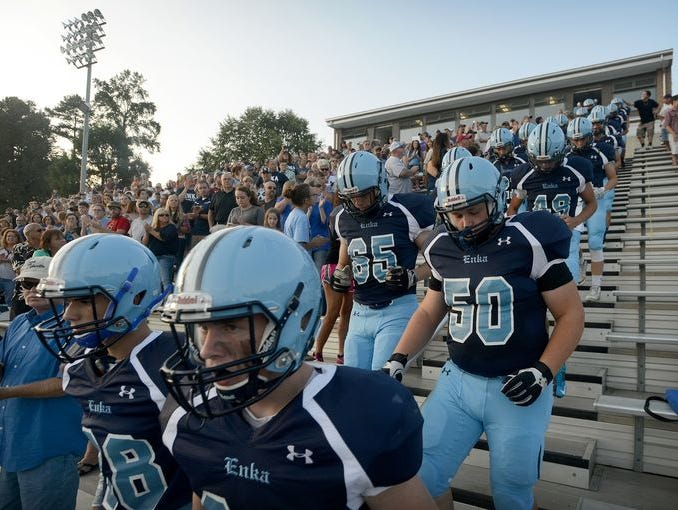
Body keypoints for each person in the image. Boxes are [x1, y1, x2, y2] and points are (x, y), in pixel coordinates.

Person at [158, 226, 436, 510]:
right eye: (202, 327)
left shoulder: (357, 419)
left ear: (298, 322)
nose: (206, 351)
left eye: (230, 326)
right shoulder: (186, 413)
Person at [383, 157, 584, 510]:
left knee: (512, 492)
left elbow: (570, 314)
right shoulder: (441, 247)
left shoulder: (529, 240)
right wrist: (398, 357)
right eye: (456, 214)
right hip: (458, 383)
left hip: (518, 385)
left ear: (498, 198)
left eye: (474, 211)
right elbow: (432, 309)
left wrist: (543, 370)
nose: (465, 222)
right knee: (422, 476)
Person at [33, 234, 192, 510]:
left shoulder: (173, 365)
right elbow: (113, 461)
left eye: (83, 300)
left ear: (137, 296)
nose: (69, 314)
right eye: (67, 301)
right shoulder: (81, 366)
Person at [333, 151, 434, 370]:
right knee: (355, 383)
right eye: (351, 196)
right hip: (359, 312)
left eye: (363, 194)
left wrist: (412, 276)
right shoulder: (343, 218)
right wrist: (341, 275)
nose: (357, 202)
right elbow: (344, 263)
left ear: (381, 184)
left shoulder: (405, 211)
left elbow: (440, 261)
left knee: (382, 383)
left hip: (396, 310)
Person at [0, 257, 87, 510]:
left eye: (42, 283)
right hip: (11, 443)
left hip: (49, 447)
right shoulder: (18, 323)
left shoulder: (76, 326)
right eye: (27, 282)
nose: (33, 288)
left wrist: (6, 393)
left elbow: (67, 384)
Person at [508, 121, 597, 283]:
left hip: (563, 232)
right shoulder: (523, 175)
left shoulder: (576, 169)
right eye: (540, 161)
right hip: (536, 236)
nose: (544, 165)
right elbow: (512, 209)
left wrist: (576, 220)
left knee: (569, 280)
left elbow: (592, 203)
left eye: (549, 160)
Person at [565, 117, 617, 301]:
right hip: (576, 202)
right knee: (571, 244)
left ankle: (596, 287)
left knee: (595, 242)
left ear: (589, 136)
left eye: (582, 138)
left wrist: (604, 189)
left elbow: (612, 177)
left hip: (596, 200)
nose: (578, 143)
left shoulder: (600, 151)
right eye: (575, 139)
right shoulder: (565, 156)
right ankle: (578, 262)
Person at [143, 207, 179, 290]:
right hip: (153, 257)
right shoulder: (153, 228)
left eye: (166, 215)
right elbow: (144, 242)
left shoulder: (171, 227)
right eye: (161, 215)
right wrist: (146, 232)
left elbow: (163, 238)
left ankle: (167, 300)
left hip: (166, 257)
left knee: (165, 281)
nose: (164, 216)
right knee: (154, 281)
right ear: (157, 217)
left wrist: (150, 230)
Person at [0, 229, 20, 305]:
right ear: (5, 238)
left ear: (17, 238)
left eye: (13, 236)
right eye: (8, 236)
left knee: (9, 301)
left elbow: (22, 263)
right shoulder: (1, 249)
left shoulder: (19, 250)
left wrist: (9, 261)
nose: (11, 238)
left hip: (11, 279)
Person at [662, 95, 678, 167]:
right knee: (674, 152)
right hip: (673, 134)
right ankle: (675, 168)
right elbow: (666, 125)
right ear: (674, 101)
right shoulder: (669, 112)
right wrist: (673, 134)